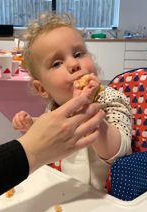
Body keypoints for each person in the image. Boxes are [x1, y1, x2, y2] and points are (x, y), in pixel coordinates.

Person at [12, 12, 132, 192]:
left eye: (78, 53)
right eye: (57, 63)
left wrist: (86, 109)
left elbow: (119, 151)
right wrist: (33, 124)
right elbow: (51, 134)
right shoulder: (53, 110)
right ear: (42, 89)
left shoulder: (111, 99)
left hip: (107, 197)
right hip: (66, 192)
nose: (73, 64)